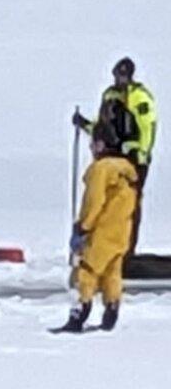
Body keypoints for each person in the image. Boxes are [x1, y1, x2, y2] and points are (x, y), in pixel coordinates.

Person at [56, 122, 139, 333]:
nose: (91, 148)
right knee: (112, 273)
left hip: (101, 232)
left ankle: (78, 315)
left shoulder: (101, 170)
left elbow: (94, 201)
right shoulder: (126, 172)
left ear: (100, 144)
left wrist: (82, 227)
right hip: (121, 232)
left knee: (85, 272)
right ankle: (111, 312)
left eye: (92, 144)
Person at [73, 57, 158, 254]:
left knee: (128, 204)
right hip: (110, 157)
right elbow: (102, 126)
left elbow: (148, 127)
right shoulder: (109, 95)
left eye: (123, 75)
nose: (120, 79)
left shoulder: (139, 97)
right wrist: (84, 124)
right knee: (103, 202)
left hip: (132, 159)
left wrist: (141, 152)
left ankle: (127, 250)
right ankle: (102, 247)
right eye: (117, 75)